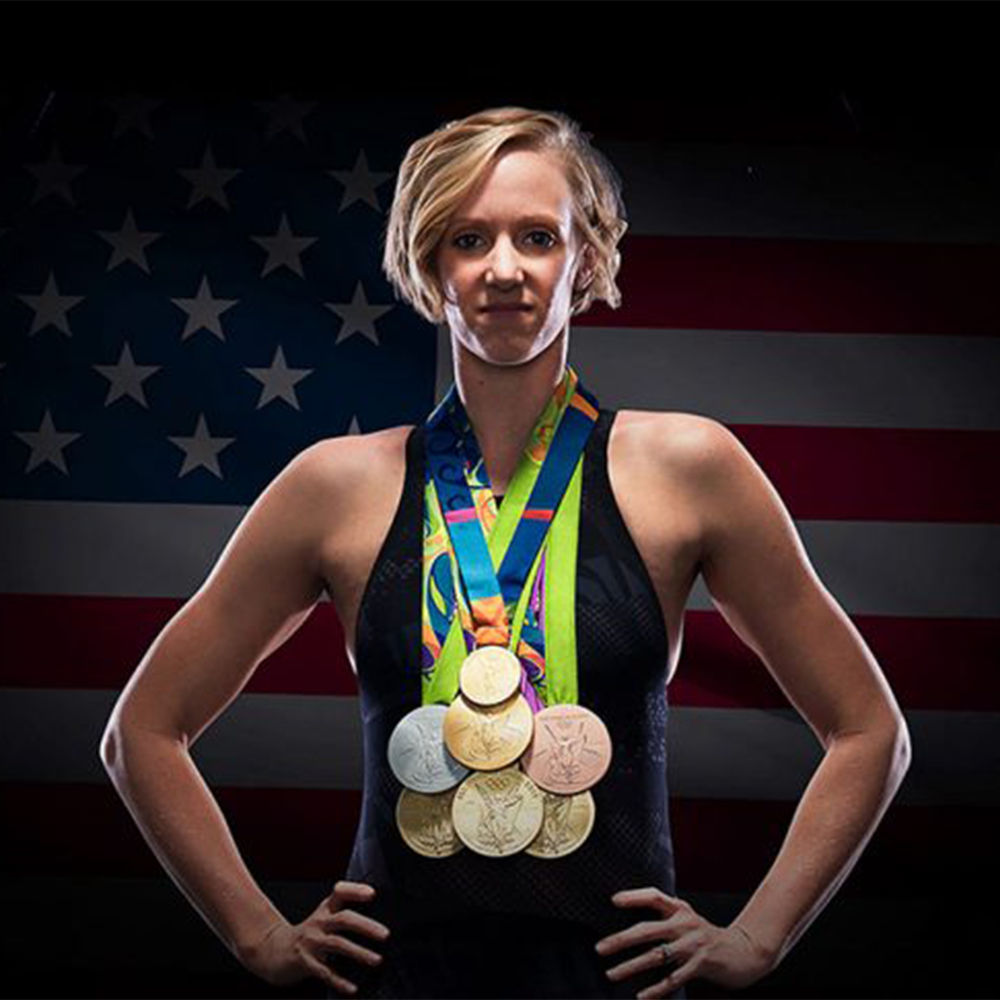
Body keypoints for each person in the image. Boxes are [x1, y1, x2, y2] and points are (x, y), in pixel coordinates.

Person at [100, 106, 912, 999]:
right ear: (425, 267)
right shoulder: (334, 487)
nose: (503, 269)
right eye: (466, 237)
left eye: (537, 237)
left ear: (588, 261)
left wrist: (757, 939)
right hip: (394, 977)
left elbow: (869, 730)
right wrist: (258, 936)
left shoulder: (689, 468)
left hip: (614, 981)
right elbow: (141, 732)